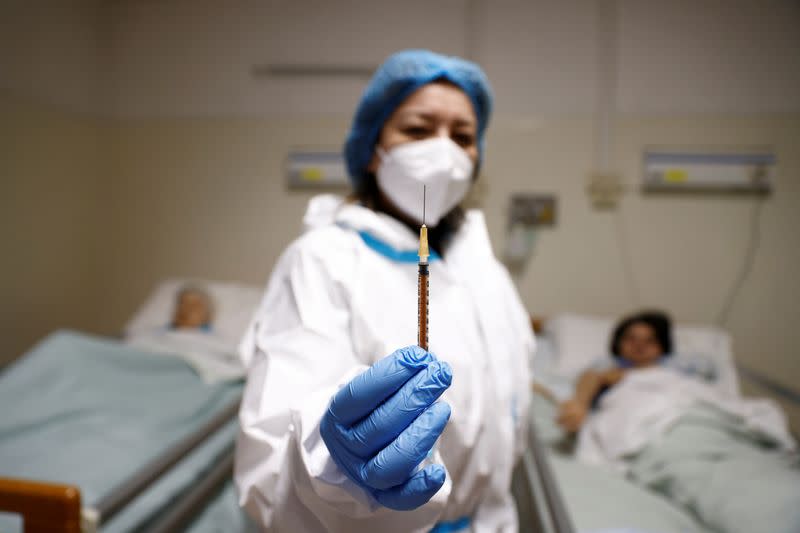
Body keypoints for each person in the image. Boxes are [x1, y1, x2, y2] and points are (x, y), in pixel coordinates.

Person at [235, 50, 534, 532]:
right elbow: (269, 468)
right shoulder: (321, 260)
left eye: (463, 137)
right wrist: (335, 467)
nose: (444, 152)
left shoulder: (485, 270)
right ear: (375, 149)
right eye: (417, 130)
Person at [556, 310, 674, 433]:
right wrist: (579, 404)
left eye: (649, 340)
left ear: (662, 347)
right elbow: (590, 377)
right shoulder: (610, 365)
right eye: (631, 339)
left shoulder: (676, 368)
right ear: (618, 343)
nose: (639, 345)